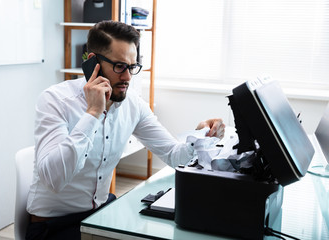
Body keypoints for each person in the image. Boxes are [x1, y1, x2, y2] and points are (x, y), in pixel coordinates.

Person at [26, 20, 225, 240]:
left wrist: (199, 136)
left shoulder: (133, 104)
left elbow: (173, 155)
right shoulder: (55, 100)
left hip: (99, 212)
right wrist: (92, 113)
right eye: (120, 66)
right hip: (54, 225)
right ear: (93, 63)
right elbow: (55, 179)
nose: (128, 77)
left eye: (132, 67)